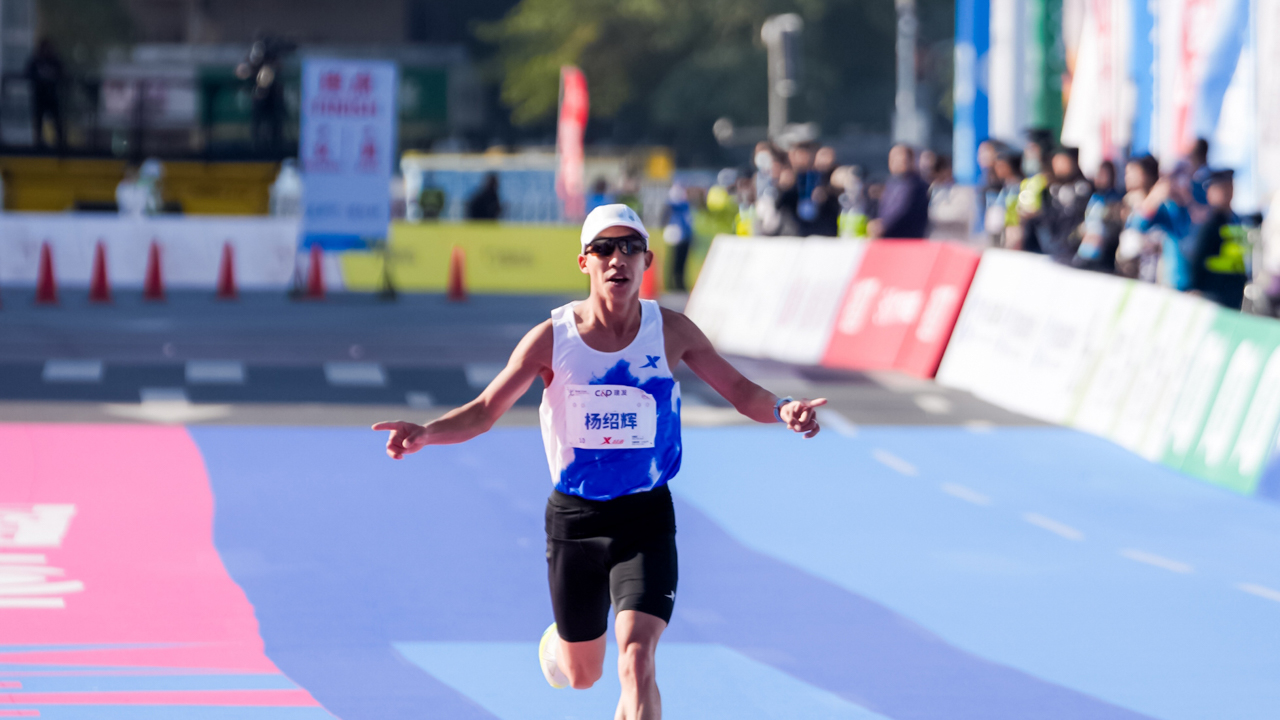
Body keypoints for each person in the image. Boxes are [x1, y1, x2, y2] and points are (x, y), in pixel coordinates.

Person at [371, 204, 826, 720]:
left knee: (637, 656)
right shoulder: (553, 339)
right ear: (584, 261)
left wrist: (782, 408)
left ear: (647, 260)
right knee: (583, 675)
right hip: (576, 523)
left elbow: (740, 391)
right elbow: (485, 410)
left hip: (645, 518)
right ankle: (560, 646)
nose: (617, 258)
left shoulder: (671, 331)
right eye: (604, 248)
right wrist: (426, 433)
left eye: (630, 247)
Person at [1184, 169, 1249, 309]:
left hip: (1234, 293)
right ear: (1209, 193)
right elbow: (1196, 259)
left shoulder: (1238, 221)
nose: (1226, 192)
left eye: (1228, 187)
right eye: (1220, 189)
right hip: (1211, 293)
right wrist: (1195, 287)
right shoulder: (1207, 223)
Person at [870, 144, 930, 239]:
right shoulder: (892, 183)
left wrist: (884, 226)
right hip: (889, 240)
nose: (895, 163)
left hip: (906, 240)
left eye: (900, 159)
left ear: (911, 161)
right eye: (892, 159)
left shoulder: (915, 185)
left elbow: (902, 210)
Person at [1073, 160, 1123, 272]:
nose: (1099, 178)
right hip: (1086, 244)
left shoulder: (1116, 198)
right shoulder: (1094, 196)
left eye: (1104, 175)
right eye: (1098, 174)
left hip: (1104, 250)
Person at [25, 39, 64, 151]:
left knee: (57, 120)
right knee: (38, 121)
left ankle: (60, 142)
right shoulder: (36, 61)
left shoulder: (54, 61)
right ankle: (39, 142)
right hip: (39, 97)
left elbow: (63, 73)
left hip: (52, 97)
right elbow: (27, 73)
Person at [662, 184, 694, 291]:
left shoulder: (686, 205)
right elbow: (664, 219)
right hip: (675, 236)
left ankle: (680, 284)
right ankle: (670, 284)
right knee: (673, 261)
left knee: (682, 262)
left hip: (686, 236)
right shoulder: (670, 206)